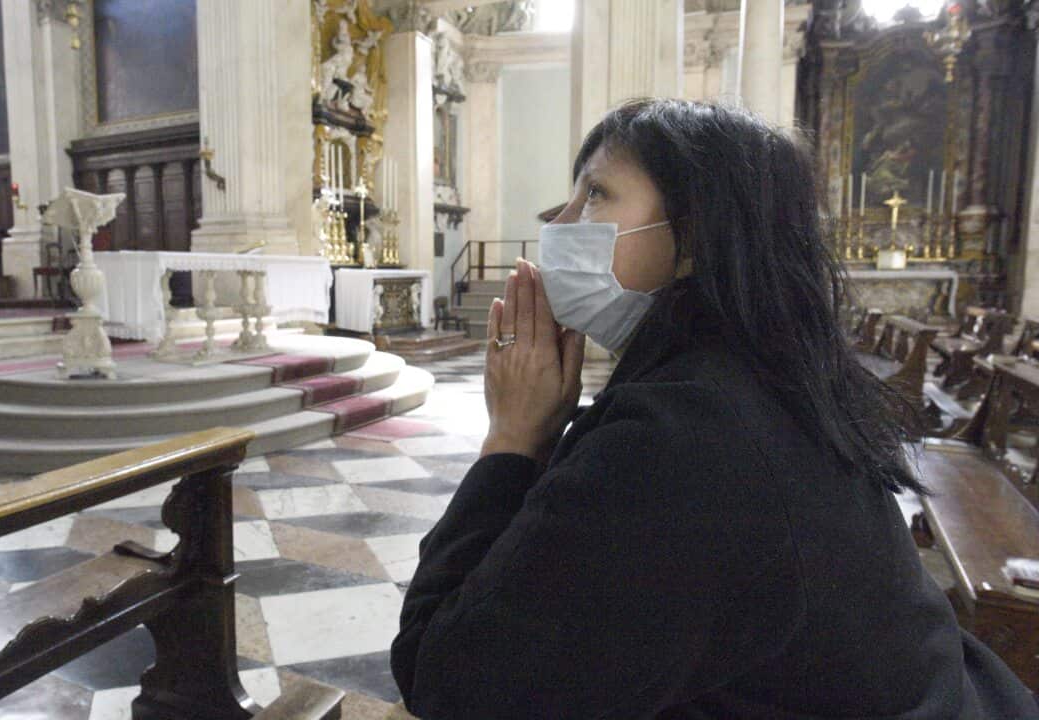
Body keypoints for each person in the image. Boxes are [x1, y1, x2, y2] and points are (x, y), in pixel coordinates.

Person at [390, 99, 1038, 719]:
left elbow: (448, 678)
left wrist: (513, 439)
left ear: (697, 232)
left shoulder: (686, 437)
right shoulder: (755, 374)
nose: (558, 225)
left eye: (596, 194)